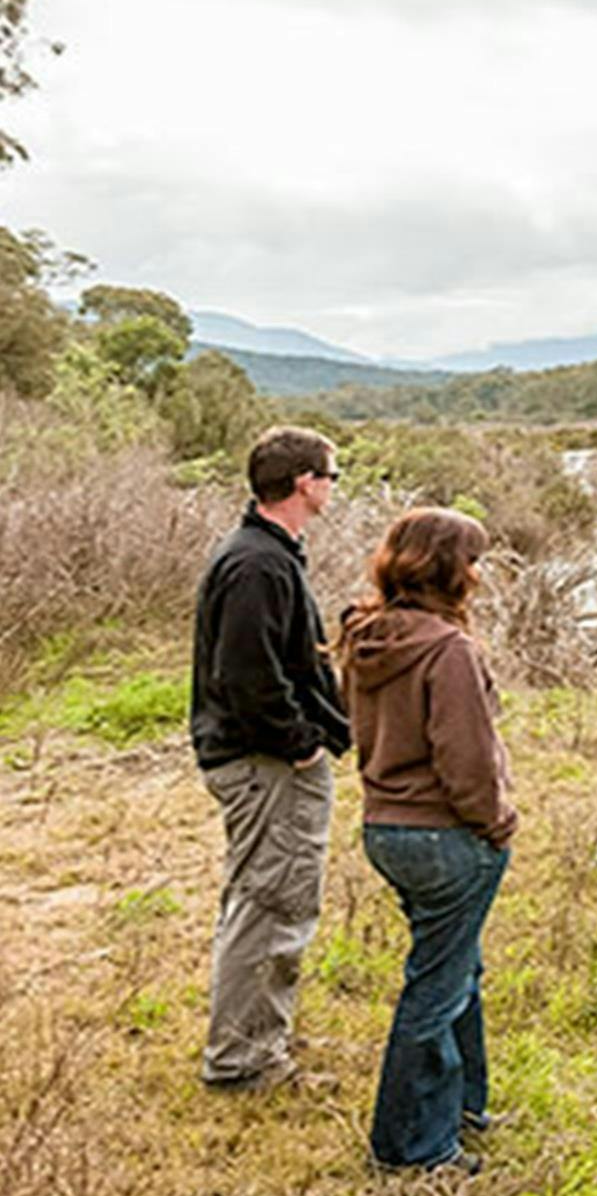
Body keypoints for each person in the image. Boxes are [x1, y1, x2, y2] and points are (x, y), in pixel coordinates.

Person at [335, 507, 518, 1173]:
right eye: (472, 559)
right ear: (446, 567)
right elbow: (465, 758)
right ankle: (411, 1149)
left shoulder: (365, 636)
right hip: (445, 837)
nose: (478, 573)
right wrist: (495, 823)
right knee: (436, 989)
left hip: (386, 829)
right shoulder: (448, 650)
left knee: (455, 967)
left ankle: (464, 1108)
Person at [190, 425, 352, 1091]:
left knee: (263, 899)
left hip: (264, 760)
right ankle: (244, 1062)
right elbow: (247, 677)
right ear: (305, 483)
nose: (334, 488)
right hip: (265, 764)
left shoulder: (270, 554)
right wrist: (303, 745)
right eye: (331, 476)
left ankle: (259, 1033)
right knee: (271, 905)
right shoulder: (257, 564)